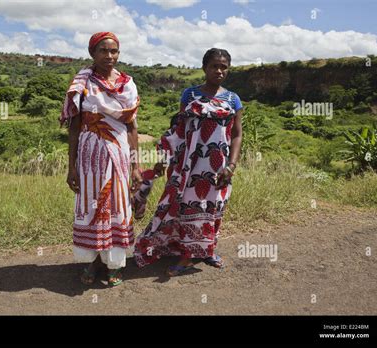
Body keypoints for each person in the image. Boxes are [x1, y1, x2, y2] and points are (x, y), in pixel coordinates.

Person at [133, 48, 243, 276]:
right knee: (189, 207)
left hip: (219, 166)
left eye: (224, 67)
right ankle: (186, 256)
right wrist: (164, 159)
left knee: (213, 207)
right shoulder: (189, 95)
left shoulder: (233, 99)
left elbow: (236, 135)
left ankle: (207, 250)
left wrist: (231, 166)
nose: (219, 71)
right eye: (215, 66)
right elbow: (180, 129)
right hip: (189, 165)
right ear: (204, 68)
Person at [60, 32, 142, 286]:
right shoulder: (82, 83)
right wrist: (71, 166)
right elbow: (74, 128)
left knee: (117, 206)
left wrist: (136, 165)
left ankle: (114, 264)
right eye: (103, 51)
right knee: (92, 206)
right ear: (92, 53)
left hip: (118, 154)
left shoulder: (127, 84)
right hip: (89, 156)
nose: (109, 56)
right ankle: (92, 262)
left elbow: (131, 128)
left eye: (114, 51)